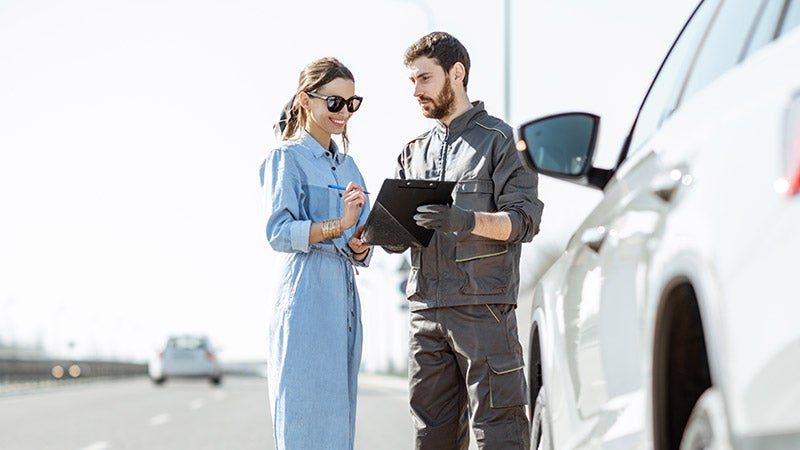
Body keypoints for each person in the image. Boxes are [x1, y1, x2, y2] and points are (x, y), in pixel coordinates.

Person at [385, 31, 544, 449]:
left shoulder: (501, 140)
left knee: (500, 433)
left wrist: (465, 219)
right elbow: (401, 237)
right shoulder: (412, 151)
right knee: (430, 437)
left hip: (483, 312)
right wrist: (382, 231)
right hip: (426, 313)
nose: (416, 91)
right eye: (412, 82)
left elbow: (524, 220)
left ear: (457, 74)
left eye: (424, 79)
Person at [262, 56, 371, 450]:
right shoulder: (286, 158)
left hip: (344, 297)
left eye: (351, 103)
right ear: (307, 100)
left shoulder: (350, 166)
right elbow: (278, 232)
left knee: (339, 421)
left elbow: (358, 238)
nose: (344, 113)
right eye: (334, 102)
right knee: (304, 419)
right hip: (305, 294)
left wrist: (360, 242)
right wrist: (338, 226)